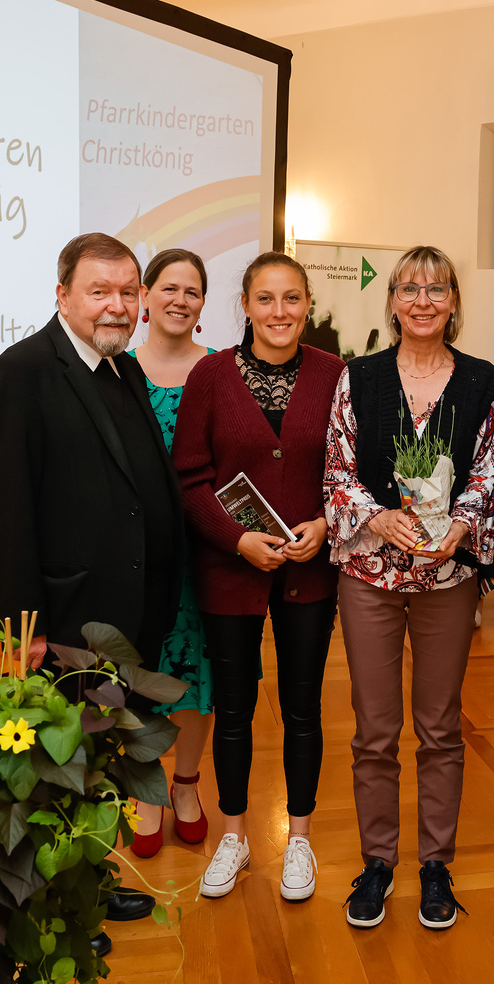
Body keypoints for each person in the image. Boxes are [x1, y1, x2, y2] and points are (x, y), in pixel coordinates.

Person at [0, 232, 180, 956]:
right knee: (49, 776)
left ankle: (87, 883)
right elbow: (4, 511)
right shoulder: (22, 371)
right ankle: (41, 919)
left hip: (125, 616)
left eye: (127, 291)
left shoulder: (121, 368)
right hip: (64, 620)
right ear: (62, 294)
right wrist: (23, 628)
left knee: (98, 764)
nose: (116, 305)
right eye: (100, 291)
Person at [323, 245, 494, 931]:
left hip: (448, 578)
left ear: (454, 301)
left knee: (440, 727)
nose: (423, 300)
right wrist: (377, 518)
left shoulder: (483, 380)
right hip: (370, 576)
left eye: (437, 288)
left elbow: (488, 471)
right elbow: (337, 469)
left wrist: (462, 523)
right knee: (374, 730)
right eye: (410, 288)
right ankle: (377, 862)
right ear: (392, 300)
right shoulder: (358, 376)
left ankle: (435, 865)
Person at [171, 251, 345, 903]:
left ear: (308, 305)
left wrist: (326, 523)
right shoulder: (211, 375)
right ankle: (235, 835)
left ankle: (298, 838)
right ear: (244, 305)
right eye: (265, 299)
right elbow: (190, 478)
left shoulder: (336, 375)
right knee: (234, 708)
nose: (279, 311)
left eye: (292, 298)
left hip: (310, 572)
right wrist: (238, 540)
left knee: (303, 708)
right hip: (229, 570)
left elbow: (351, 471)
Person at [123, 248, 216, 856]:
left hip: (205, 552)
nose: (180, 300)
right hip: (135, 556)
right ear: (146, 297)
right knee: (139, 669)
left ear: (202, 304)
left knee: (197, 672)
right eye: (169, 288)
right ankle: (145, 787)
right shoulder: (117, 371)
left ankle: (185, 783)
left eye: (193, 291)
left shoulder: (219, 371)